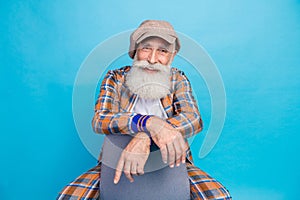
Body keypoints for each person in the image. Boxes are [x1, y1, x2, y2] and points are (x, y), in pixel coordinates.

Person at [57, 20, 231, 200]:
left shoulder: (178, 79)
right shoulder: (115, 78)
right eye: (146, 48)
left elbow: (193, 119)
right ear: (134, 51)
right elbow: (101, 120)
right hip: (116, 162)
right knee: (68, 197)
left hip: (171, 166)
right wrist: (147, 122)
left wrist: (146, 134)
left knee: (220, 197)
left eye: (163, 51)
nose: (153, 59)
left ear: (172, 56)